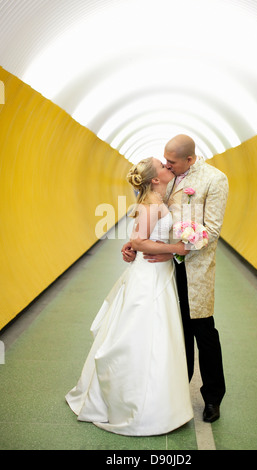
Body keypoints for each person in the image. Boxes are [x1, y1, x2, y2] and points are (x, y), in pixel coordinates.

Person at [65, 157, 193, 436]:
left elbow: (138, 239)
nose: (167, 167)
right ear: (155, 179)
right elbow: (138, 240)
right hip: (149, 275)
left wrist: (165, 247)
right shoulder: (152, 205)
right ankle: (143, 405)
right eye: (163, 165)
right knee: (146, 331)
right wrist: (176, 248)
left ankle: (160, 398)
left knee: (157, 333)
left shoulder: (159, 199)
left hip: (158, 273)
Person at [122, 135, 229, 423]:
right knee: (174, 330)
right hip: (164, 268)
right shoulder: (166, 178)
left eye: (172, 161)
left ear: (190, 160)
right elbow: (151, 212)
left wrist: (173, 252)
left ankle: (213, 397)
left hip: (195, 267)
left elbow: (212, 230)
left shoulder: (215, 179)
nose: (167, 165)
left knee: (203, 330)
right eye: (164, 160)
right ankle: (177, 391)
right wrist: (135, 243)